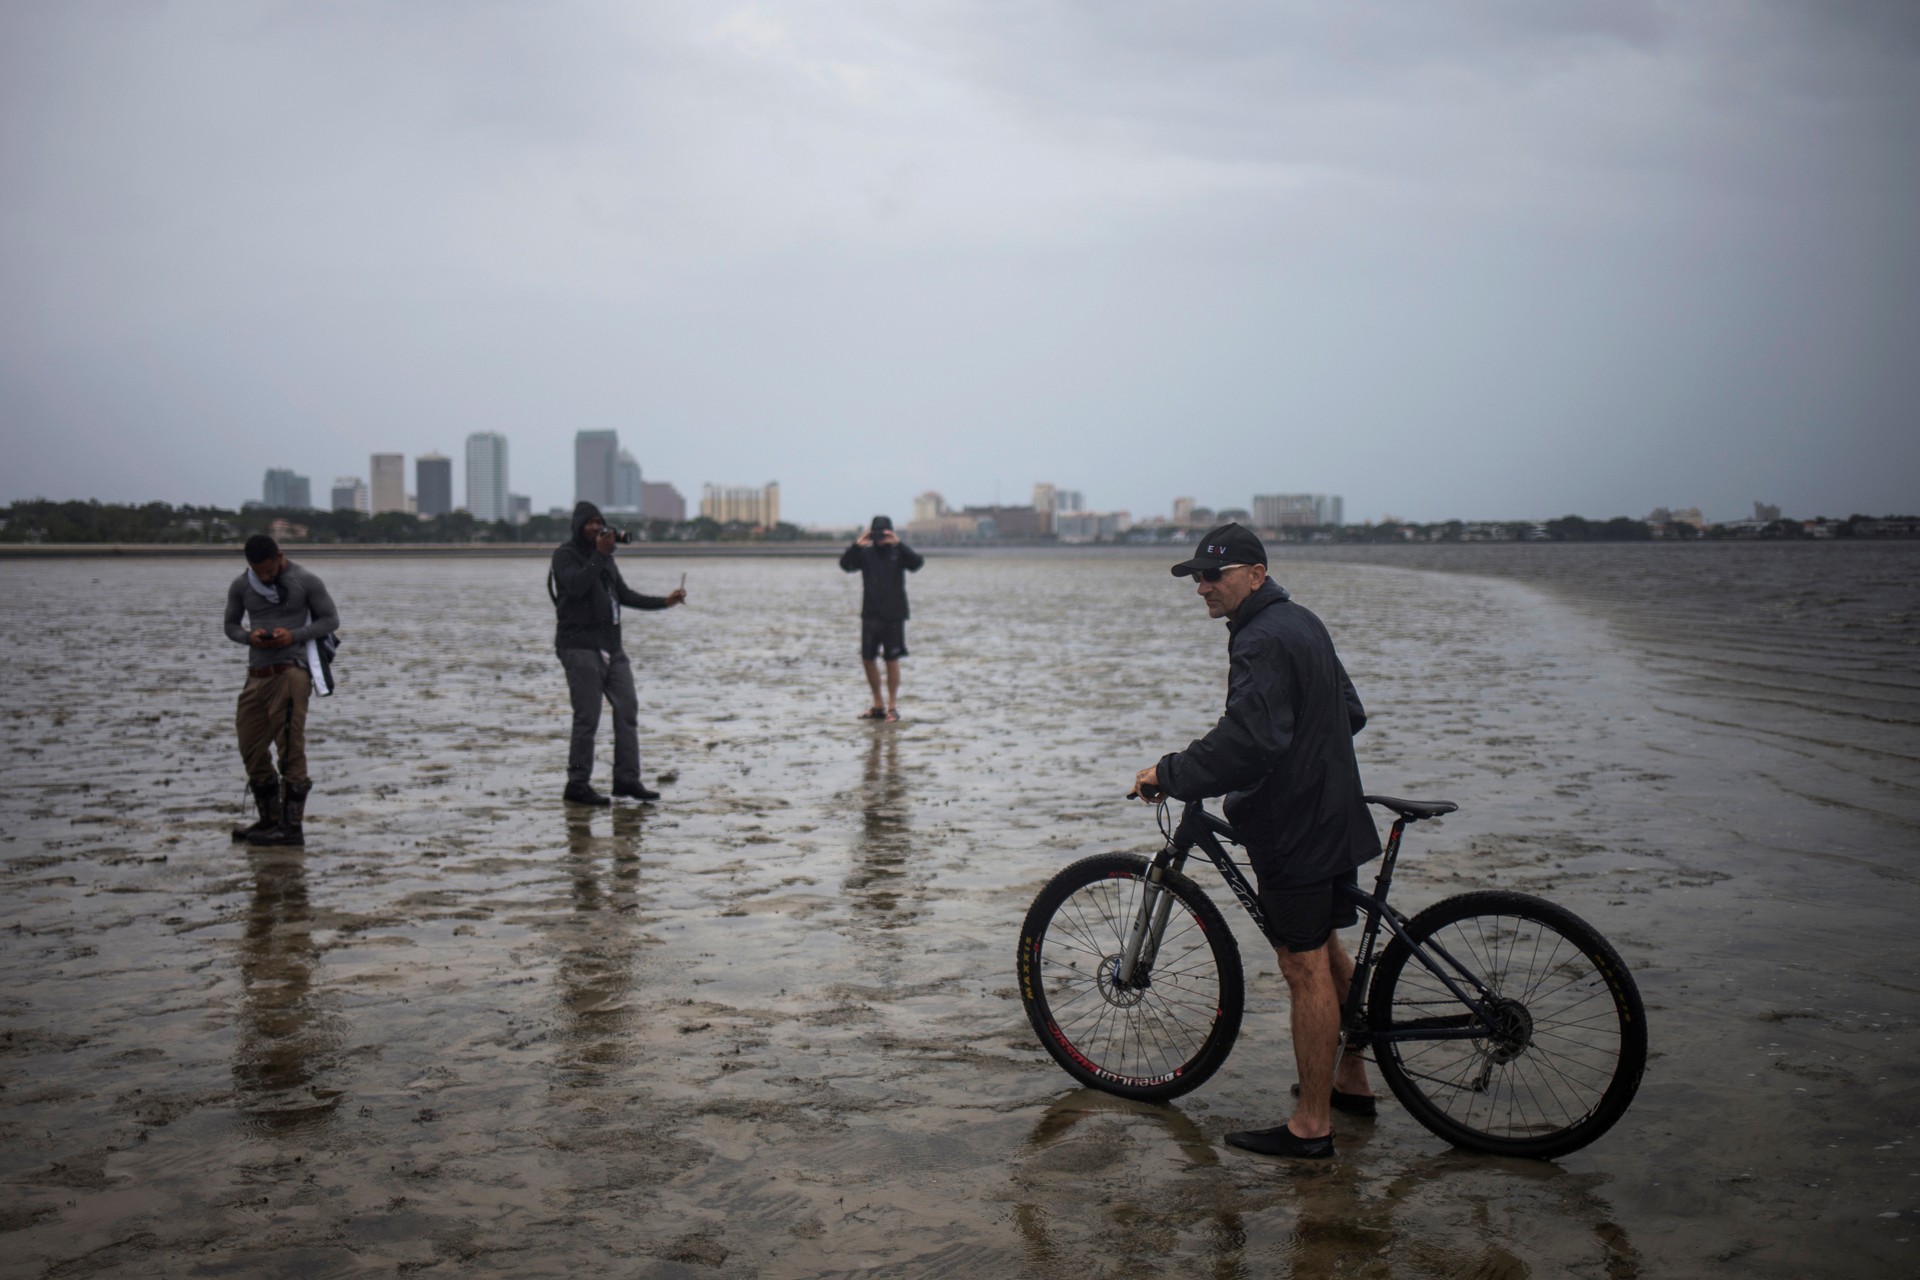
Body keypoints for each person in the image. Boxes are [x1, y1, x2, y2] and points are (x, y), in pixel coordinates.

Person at [1132, 522, 1380, 1160]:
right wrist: (1305, 761)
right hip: (1330, 810)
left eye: (1214, 576)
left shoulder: (1262, 637)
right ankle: (1352, 1078)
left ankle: (1311, 1125)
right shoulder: (1301, 620)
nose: (1203, 588)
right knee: (1324, 947)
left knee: (1302, 966)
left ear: (1255, 574)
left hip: (1298, 824)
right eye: (1196, 577)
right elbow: (1347, 712)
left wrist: (1173, 771)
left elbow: (1250, 739)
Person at [551, 501, 686, 806]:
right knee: (587, 719)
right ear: (578, 526)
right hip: (579, 647)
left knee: (628, 710)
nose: (597, 528)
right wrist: (599, 554)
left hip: (613, 647)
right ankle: (576, 783)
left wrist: (665, 602)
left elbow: (624, 595)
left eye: (601, 522)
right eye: (590, 523)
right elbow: (575, 587)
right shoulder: (565, 556)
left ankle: (627, 780)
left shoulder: (606, 560)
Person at [224, 534, 341, 847]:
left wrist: (295, 635)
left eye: (269, 570)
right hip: (256, 674)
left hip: (291, 673)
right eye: (258, 571)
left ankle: (291, 828)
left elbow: (331, 619)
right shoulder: (241, 586)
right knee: (250, 745)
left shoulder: (305, 581)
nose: (264, 576)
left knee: (290, 747)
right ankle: (269, 819)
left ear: (280, 556)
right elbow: (230, 626)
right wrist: (250, 637)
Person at [839, 515, 924, 722]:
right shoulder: (865, 554)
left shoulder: (898, 552)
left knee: (892, 659)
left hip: (894, 615)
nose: (880, 537)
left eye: (884, 533)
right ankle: (878, 705)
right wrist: (857, 544)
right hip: (870, 614)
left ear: (891, 532)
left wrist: (899, 543)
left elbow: (917, 564)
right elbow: (846, 565)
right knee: (868, 658)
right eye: (877, 533)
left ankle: (892, 707)